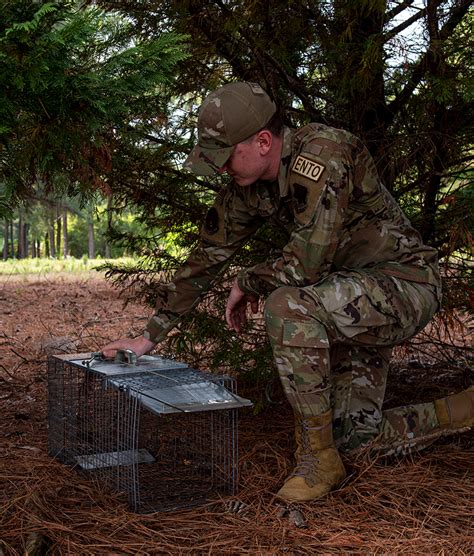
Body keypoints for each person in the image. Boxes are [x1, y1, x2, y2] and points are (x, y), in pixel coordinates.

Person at [103, 81, 473, 503]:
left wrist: (248, 280)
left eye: (226, 158)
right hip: (345, 300)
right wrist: (148, 335)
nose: (222, 170)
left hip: (405, 284)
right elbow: (205, 257)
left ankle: (317, 461)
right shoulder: (249, 187)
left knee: (288, 307)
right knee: (356, 441)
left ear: (263, 141)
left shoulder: (324, 153)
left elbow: (304, 266)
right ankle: (460, 410)